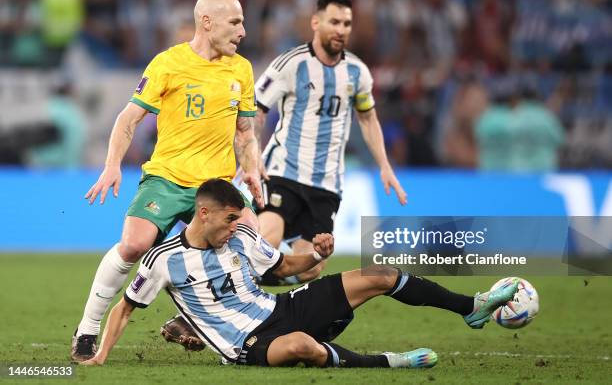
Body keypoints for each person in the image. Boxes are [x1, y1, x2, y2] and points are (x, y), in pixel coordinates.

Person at [81, 179, 518, 368]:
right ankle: (387, 362)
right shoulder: (163, 261)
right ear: (204, 213)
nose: (238, 226)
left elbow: (283, 267)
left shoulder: (241, 238)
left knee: (379, 274)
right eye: (231, 219)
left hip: (283, 307)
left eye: (240, 219)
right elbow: (126, 308)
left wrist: (312, 256)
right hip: (247, 344)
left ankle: (472, 308)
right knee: (302, 347)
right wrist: (101, 353)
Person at [71, 0, 263, 362]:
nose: (243, 31)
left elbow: (246, 132)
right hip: (168, 177)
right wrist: (112, 165)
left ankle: (187, 321)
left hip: (215, 188)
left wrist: (251, 169)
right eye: (235, 22)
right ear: (207, 22)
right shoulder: (168, 63)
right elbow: (128, 118)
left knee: (253, 247)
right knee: (133, 245)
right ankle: (89, 327)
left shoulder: (242, 69)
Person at [251, 0, 407, 284]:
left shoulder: (357, 72)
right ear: (316, 22)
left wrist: (385, 165)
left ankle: (246, 282)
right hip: (282, 171)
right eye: (334, 21)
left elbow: (367, 117)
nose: (341, 29)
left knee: (310, 268)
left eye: (347, 23)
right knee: (265, 241)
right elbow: (256, 110)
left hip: (327, 184)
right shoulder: (291, 64)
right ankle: (235, 287)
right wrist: (252, 157)